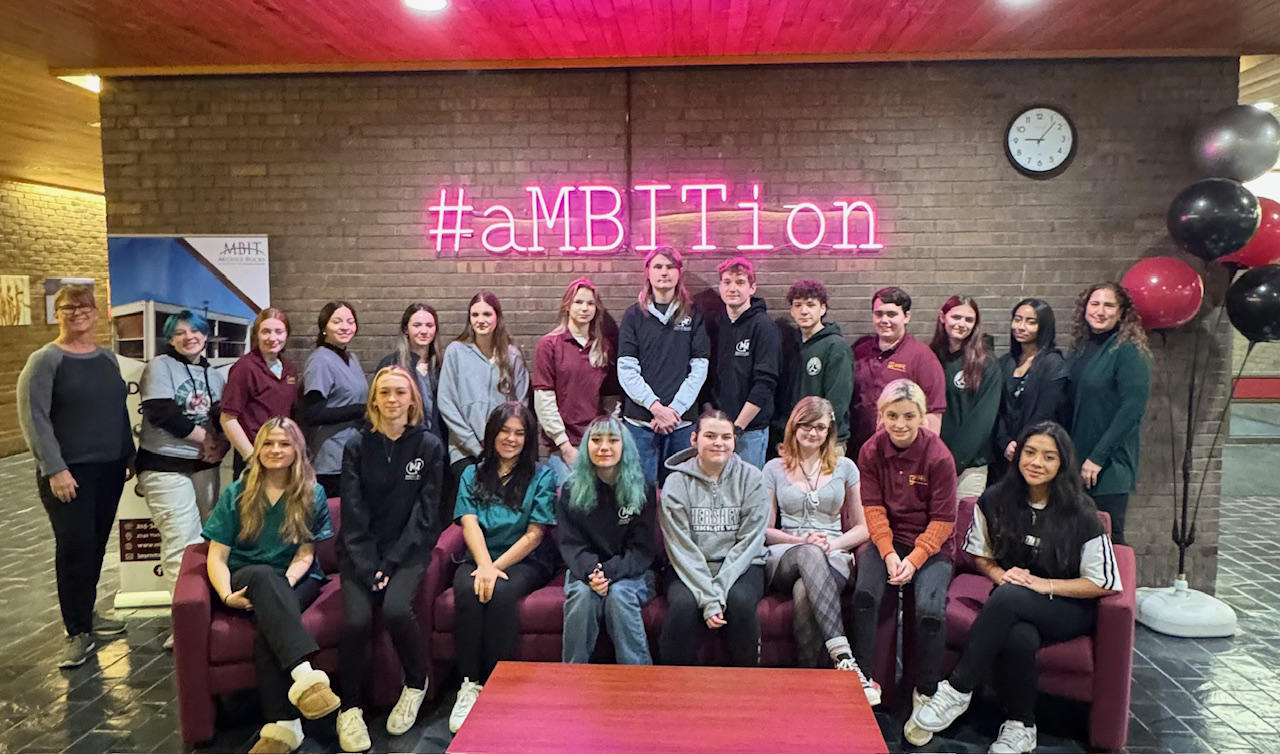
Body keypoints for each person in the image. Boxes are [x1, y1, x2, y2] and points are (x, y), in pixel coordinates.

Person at [906, 421, 1122, 753]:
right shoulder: (995, 500)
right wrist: (998, 575)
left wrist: (1042, 584)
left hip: (1067, 606)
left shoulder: (1081, 513)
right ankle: (1022, 725)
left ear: (1062, 463)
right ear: (1017, 455)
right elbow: (981, 555)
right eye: (1030, 453)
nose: (1037, 462)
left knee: (1009, 599)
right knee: (1020, 634)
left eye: (1049, 457)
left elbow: (1103, 582)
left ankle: (958, 688)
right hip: (1014, 603)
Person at [201, 417, 338, 754]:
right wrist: (226, 595)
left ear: (297, 450)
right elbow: (217, 556)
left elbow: (306, 553)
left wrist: (285, 583)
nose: (276, 450)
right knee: (263, 576)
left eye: (284, 444)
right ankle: (306, 677)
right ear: (258, 449)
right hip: (247, 577)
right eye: (268, 444)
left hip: (298, 577)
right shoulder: (237, 493)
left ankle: (284, 726)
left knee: (270, 622)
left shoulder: (312, 493)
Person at [17, 284, 134, 668]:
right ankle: (76, 631)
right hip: (69, 474)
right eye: (68, 307)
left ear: (97, 313)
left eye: (85, 307)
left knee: (97, 545)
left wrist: (127, 456)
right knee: (74, 548)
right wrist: (55, 468)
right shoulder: (44, 361)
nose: (77, 312)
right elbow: (35, 420)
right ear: (58, 312)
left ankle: (88, 615)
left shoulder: (107, 360)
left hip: (110, 469)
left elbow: (118, 412)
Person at [335, 366, 444, 752]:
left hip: (408, 551)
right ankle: (349, 708)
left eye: (400, 392)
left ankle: (416, 683)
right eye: (385, 393)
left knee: (397, 609)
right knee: (356, 620)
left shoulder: (429, 446)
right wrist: (368, 564)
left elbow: (427, 516)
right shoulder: (357, 446)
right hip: (360, 551)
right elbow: (352, 510)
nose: (393, 400)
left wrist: (392, 563)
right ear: (374, 400)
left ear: (412, 398)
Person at [852, 379, 957, 736]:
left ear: (922, 417)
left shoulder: (939, 455)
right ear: (881, 416)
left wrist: (914, 560)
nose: (900, 423)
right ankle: (864, 679)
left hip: (931, 546)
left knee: (930, 611)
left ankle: (925, 692)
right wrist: (887, 552)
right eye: (892, 415)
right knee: (865, 595)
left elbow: (944, 520)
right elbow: (873, 508)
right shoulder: (870, 451)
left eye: (909, 416)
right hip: (889, 540)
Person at [448, 402, 556, 733]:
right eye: (505, 431)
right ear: (492, 433)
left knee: (502, 592)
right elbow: (468, 523)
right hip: (479, 557)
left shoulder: (542, 475)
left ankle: (499, 685)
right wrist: (483, 565)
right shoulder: (472, 472)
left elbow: (535, 534)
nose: (511, 439)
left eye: (520, 433)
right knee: (466, 591)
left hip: (524, 560)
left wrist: (494, 568)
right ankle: (469, 684)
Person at [762, 397, 877, 703]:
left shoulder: (846, 467)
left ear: (830, 432)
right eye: (806, 425)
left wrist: (833, 544)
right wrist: (801, 542)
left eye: (820, 427)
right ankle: (844, 659)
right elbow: (765, 530)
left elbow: (863, 527)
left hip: (834, 553)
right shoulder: (774, 468)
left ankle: (807, 683)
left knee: (804, 591)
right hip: (785, 552)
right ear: (794, 427)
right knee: (808, 556)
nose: (813, 433)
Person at [136, 310, 229, 649]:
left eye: (196, 331)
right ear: (170, 337)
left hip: (204, 468)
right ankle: (187, 626)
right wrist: (205, 439)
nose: (190, 337)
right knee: (182, 542)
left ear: (206, 336)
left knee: (207, 541)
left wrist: (221, 445)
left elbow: (225, 418)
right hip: (164, 466)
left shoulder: (215, 375)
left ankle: (206, 610)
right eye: (181, 332)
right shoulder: (160, 366)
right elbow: (161, 412)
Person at [658, 409, 768, 667]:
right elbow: (680, 546)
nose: (719, 443)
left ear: (734, 441)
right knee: (684, 607)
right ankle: (671, 688)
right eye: (710, 435)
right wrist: (708, 597)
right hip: (687, 566)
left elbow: (750, 542)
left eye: (726, 437)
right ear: (694, 439)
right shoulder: (676, 482)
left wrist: (718, 591)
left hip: (743, 566)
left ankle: (747, 683)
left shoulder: (752, 478)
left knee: (738, 602)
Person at [555, 415, 657, 664]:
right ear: (586, 446)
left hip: (633, 571)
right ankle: (572, 677)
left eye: (613, 440)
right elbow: (571, 544)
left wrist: (609, 572)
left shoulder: (643, 488)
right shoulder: (570, 490)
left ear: (625, 447)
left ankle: (638, 680)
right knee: (582, 595)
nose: (604, 447)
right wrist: (593, 572)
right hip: (586, 571)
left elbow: (642, 549)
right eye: (596, 440)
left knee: (620, 595)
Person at [1065, 283, 1151, 545]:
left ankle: (1119, 588)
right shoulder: (1082, 348)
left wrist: (1097, 458)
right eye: (1095, 304)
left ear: (1122, 312)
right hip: (1076, 461)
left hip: (1107, 466)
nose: (1100, 311)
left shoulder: (1128, 350)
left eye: (1109, 305)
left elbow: (1132, 409)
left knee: (1108, 541)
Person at [617, 247, 710, 485]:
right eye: (658, 266)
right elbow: (626, 369)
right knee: (641, 496)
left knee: (680, 494)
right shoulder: (633, 316)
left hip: (681, 424)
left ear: (679, 273)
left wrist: (674, 410)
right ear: (647, 272)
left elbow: (699, 367)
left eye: (670, 267)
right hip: (640, 423)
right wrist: (656, 408)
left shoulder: (694, 314)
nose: (664, 272)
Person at [438, 291, 530, 521]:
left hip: (504, 451)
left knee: (500, 516)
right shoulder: (456, 351)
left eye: (487, 314)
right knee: (469, 517)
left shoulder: (512, 355)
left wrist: (505, 443)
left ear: (497, 317)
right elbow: (446, 402)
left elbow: (521, 405)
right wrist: (475, 446)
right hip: (465, 452)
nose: (481, 320)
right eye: (475, 314)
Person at [534, 278, 621, 486]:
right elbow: (543, 399)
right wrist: (564, 445)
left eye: (590, 303)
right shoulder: (549, 345)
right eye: (578, 302)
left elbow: (611, 400)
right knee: (570, 506)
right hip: (564, 447)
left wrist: (608, 437)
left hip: (597, 443)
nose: (585, 308)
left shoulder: (603, 347)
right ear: (567, 306)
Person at [849, 287, 946, 456]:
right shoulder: (859, 350)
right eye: (879, 314)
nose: (884, 320)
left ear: (906, 317)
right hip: (859, 452)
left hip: (900, 455)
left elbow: (933, 414)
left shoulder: (923, 357)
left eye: (892, 314)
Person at [707, 257, 781, 469]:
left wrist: (737, 427)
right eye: (727, 282)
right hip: (717, 431)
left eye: (740, 282)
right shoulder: (717, 325)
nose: (732, 288)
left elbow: (765, 384)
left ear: (752, 288)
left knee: (746, 496)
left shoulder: (764, 327)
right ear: (720, 287)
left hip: (749, 432)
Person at [929, 295, 1001, 498]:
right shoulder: (929, 356)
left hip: (969, 467)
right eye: (956, 317)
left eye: (969, 320)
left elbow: (982, 421)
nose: (962, 324)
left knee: (962, 525)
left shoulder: (986, 363)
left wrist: (952, 463)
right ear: (942, 317)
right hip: (930, 462)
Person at [992, 299, 1067, 485]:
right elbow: (997, 409)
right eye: (1017, 320)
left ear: (1044, 327)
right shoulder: (1004, 362)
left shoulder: (1053, 364)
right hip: (1002, 454)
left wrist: (1022, 445)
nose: (1021, 326)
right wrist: (1005, 442)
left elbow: (1045, 412)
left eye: (1031, 322)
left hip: (1035, 453)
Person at [222, 308, 301, 479]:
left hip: (282, 456)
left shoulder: (290, 369)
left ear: (286, 334)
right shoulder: (244, 368)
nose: (273, 338)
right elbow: (228, 418)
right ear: (256, 335)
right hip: (254, 457)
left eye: (279, 332)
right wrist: (251, 457)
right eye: (266, 332)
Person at [777, 279, 854, 455]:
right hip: (794, 440)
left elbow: (838, 401)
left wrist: (820, 433)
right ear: (792, 310)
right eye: (798, 305)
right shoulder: (789, 345)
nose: (804, 311)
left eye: (810, 305)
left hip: (827, 441)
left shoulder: (836, 347)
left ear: (823, 308)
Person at [303, 301, 368, 498]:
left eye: (350, 321)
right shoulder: (320, 360)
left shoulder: (352, 358)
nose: (345, 326)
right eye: (337, 321)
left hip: (351, 455)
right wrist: (361, 410)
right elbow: (313, 413)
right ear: (324, 328)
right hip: (329, 460)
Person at [376, 303, 445, 442]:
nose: (424, 331)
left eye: (429, 325)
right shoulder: (391, 364)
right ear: (406, 329)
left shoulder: (442, 366)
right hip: (403, 444)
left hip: (438, 446)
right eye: (417, 325)